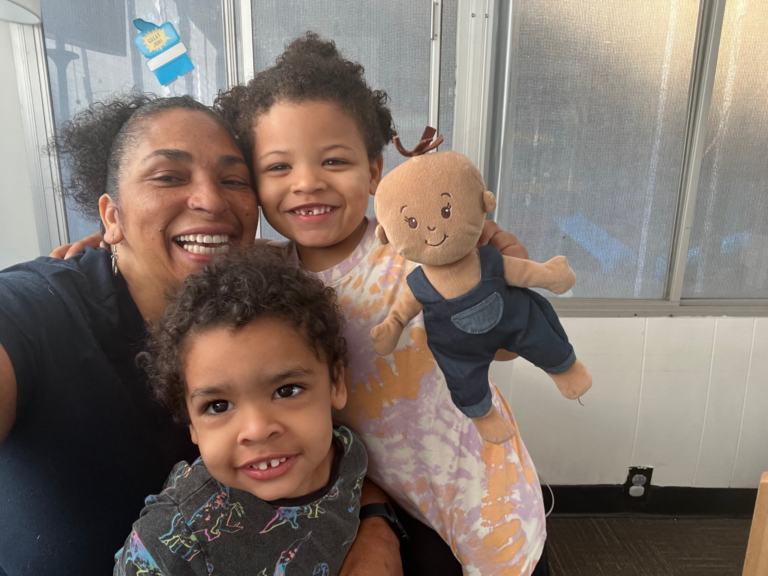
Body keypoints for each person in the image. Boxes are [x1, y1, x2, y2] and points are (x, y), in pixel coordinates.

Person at [0, 93, 396, 576]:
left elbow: (339, 452)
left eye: (234, 180)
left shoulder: (273, 306)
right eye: (168, 176)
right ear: (111, 216)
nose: (210, 201)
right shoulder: (34, 309)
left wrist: (376, 526)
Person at [214, 33, 551, 575]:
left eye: (334, 160)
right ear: (254, 183)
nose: (306, 182)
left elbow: (507, 350)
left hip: (494, 504)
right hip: (397, 505)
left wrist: (500, 294)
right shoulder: (267, 277)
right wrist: (105, 243)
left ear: (374, 172)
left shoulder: (416, 254)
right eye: (278, 168)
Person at [114, 247, 366, 575]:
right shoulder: (172, 538)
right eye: (218, 406)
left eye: (286, 390)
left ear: (336, 383)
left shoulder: (349, 453)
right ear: (191, 421)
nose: (257, 429)